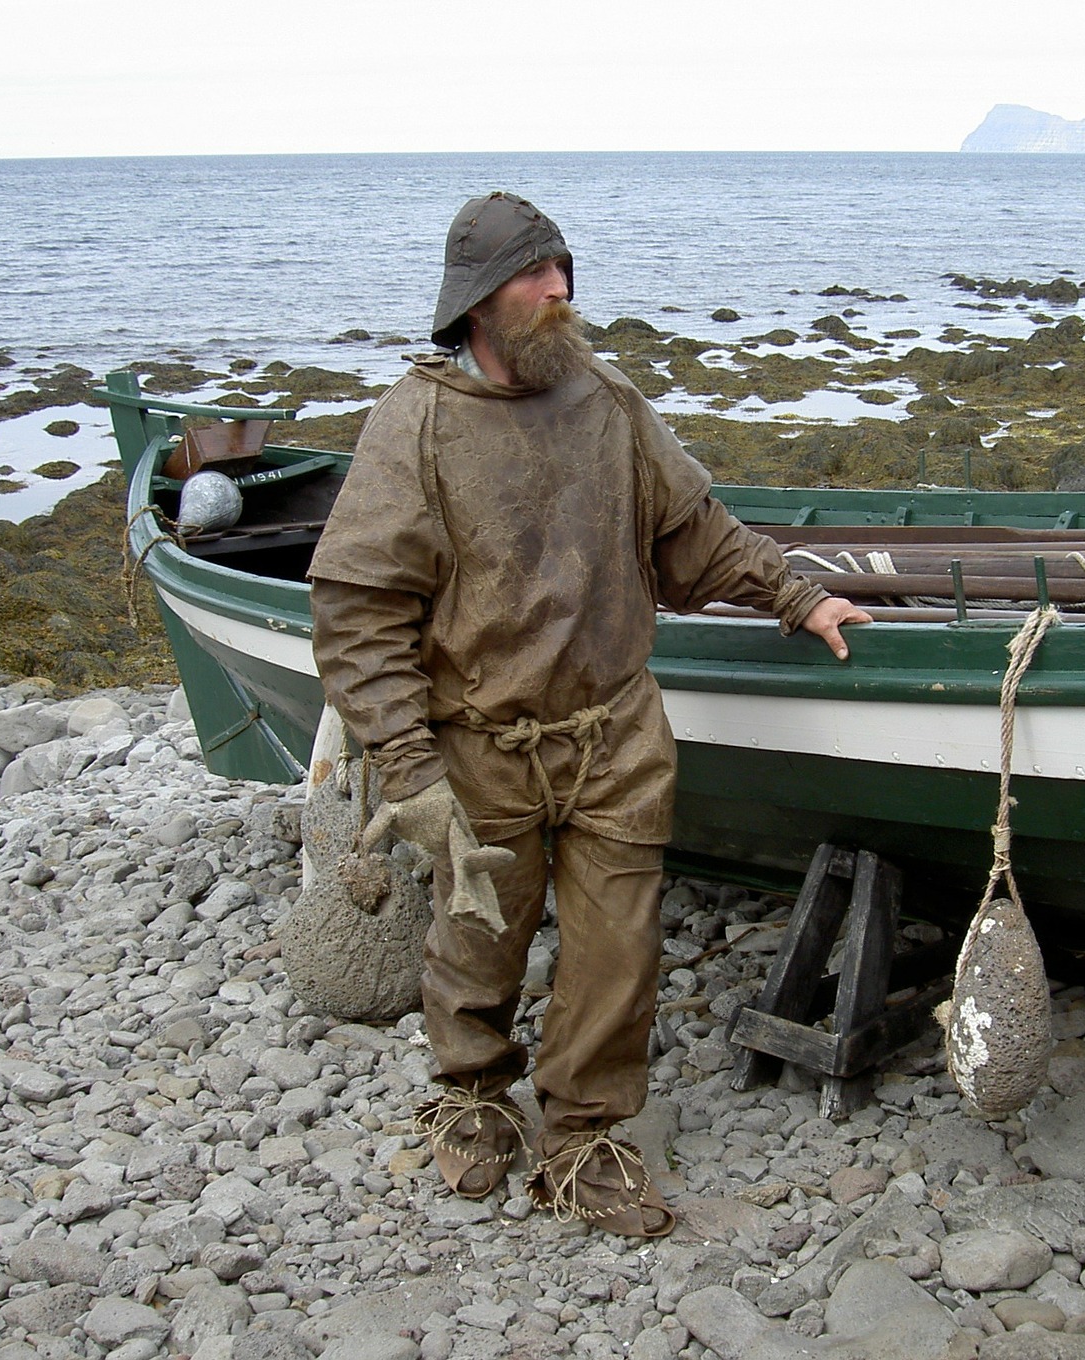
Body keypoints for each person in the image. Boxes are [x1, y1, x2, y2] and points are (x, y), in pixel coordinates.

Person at [306, 191, 868, 1237]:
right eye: (536, 273)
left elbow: (695, 530)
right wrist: (413, 773)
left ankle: (586, 1132)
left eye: (564, 268)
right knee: (478, 935)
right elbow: (357, 608)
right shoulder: (418, 424)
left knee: (619, 948)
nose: (560, 289)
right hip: (481, 744)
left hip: (615, 735)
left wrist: (794, 593)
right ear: (477, 301)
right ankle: (472, 1095)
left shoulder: (607, 402)